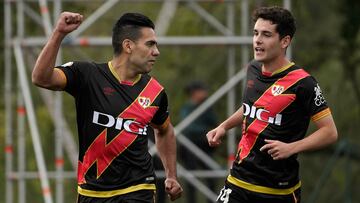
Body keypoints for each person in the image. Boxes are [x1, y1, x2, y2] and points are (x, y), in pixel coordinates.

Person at [32, 11, 183, 202]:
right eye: (150, 44)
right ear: (128, 45)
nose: (156, 51)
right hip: (91, 192)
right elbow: (41, 78)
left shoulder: (155, 92)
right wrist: (59, 34)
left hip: (138, 189)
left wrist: (171, 175)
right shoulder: (87, 75)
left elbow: (165, 130)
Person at [206, 6, 338, 203]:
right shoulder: (253, 68)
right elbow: (253, 107)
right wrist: (224, 126)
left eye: (266, 35)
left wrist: (291, 147)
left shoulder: (303, 83)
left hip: (278, 191)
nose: (257, 40)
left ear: (285, 41)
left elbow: (330, 132)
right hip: (238, 181)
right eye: (255, 33)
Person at [179, 81, 218, 203]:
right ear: (194, 93)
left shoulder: (207, 108)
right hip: (190, 146)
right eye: (202, 91)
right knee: (191, 177)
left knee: (212, 175)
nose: (205, 93)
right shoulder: (187, 108)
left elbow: (215, 123)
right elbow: (189, 128)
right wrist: (206, 131)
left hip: (205, 147)